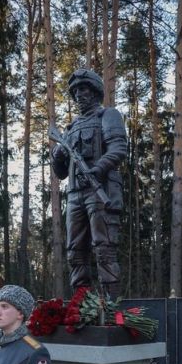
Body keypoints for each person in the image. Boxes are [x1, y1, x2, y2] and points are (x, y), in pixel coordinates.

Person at [51, 68, 127, 299]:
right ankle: (81, 306)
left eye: (82, 89)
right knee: (75, 252)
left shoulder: (108, 116)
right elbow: (61, 173)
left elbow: (118, 148)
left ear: (94, 91)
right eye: (74, 92)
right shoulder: (70, 128)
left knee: (104, 250)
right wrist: (58, 155)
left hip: (101, 189)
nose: (78, 96)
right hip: (75, 195)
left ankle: (111, 308)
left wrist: (97, 169)